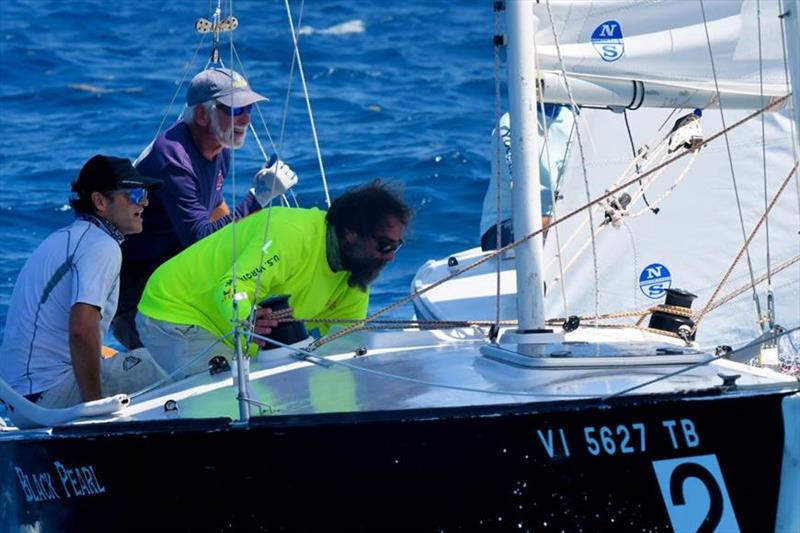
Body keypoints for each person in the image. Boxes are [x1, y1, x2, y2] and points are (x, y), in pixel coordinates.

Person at [136, 180, 412, 378]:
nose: (389, 258)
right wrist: (248, 317)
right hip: (176, 312)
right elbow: (231, 288)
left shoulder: (354, 280)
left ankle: (133, 370)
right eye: (384, 246)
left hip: (229, 335)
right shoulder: (292, 236)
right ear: (351, 232)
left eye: (396, 248)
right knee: (230, 398)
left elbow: (347, 348)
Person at [112, 67, 298, 350]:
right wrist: (257, 199)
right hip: (140, 291)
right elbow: (200, 238)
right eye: (235, 110)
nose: (246, 119)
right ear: (202, 115)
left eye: (248, 108)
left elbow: (215, 207)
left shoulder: (218, 146)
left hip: (179, 273)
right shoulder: (172, 160)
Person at [0, 155, 166, 408]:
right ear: (100, 201)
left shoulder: (65, 237)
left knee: (125, 356)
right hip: (48, 395)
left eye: (143, 192)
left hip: (21, 397)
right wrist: (93, 406)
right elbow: (81, 329)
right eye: (133, 194)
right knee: (170, 361)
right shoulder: (101, 245)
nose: (144, 201)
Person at [479, 104, 575, 250]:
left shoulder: (574, 121)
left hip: (559, 221)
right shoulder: (511, 122)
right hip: (504, 225)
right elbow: (520, 187)